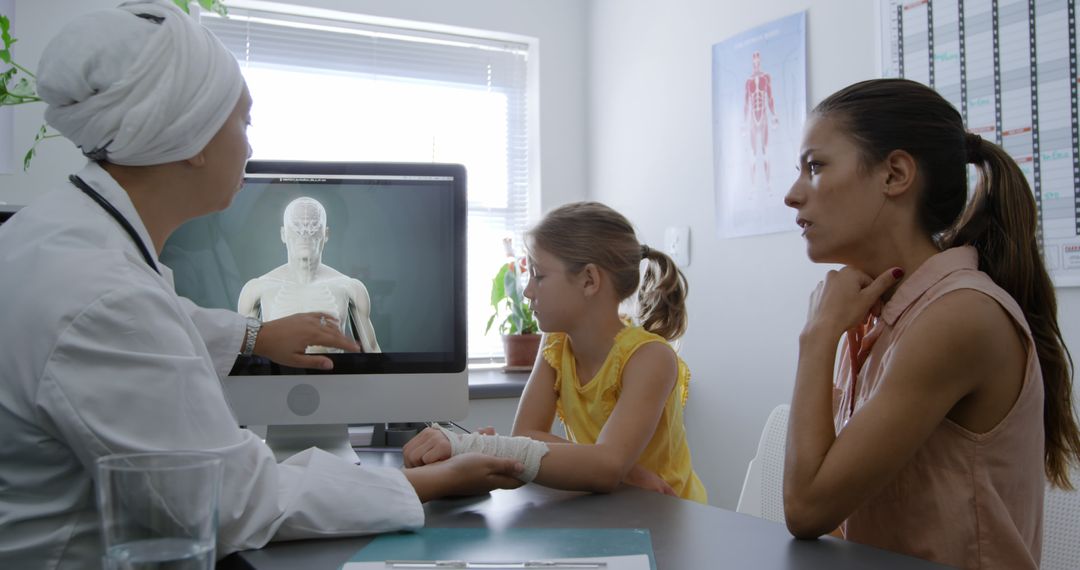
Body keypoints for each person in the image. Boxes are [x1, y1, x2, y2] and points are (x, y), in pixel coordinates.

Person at [0, 2, 522, 568]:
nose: (250, 146)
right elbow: (236, 503)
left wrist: (255, 336)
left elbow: (166, 317)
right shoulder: (103, 294)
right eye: (243, 121)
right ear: (193, 137)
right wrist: (435, 482)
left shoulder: (59, 235)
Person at [782, 78, 1080, 569]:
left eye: (815, 167)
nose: (793, 195)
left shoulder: (959, 316)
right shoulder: (874, 314)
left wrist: (817, 337)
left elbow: (807, 507)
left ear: (895, 174)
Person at [403, 201, 708, 503]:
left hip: (667, 513)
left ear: (589, 280)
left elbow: (604, 467)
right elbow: (527, 434)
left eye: (538, 275)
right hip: (609, 506)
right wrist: (621, 470)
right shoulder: (556, 346)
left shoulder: (650, 358)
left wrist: (610, 466)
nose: (527, 291)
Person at [238, 196, 381, 353]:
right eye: (297, 226)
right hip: (278, 376)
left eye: (313, 225)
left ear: (325, 234)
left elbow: (373, 352)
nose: (305, 234)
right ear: (283, 234)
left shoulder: (350, 288)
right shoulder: (256, 289)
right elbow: (242, 355)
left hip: (333, 376)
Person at [744, 50, 779, 190]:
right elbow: (746, 103)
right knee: (753, 153)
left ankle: (769, 185)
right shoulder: (748, 81)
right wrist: (743, 123)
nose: (756, 63)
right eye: (754, 61)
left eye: (758, 60)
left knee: (766, 152)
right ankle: (752, 187)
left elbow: (770, 98)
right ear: (753, 62)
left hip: (763, 116)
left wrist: (774, 115)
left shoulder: (765, 78)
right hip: (753, 118)